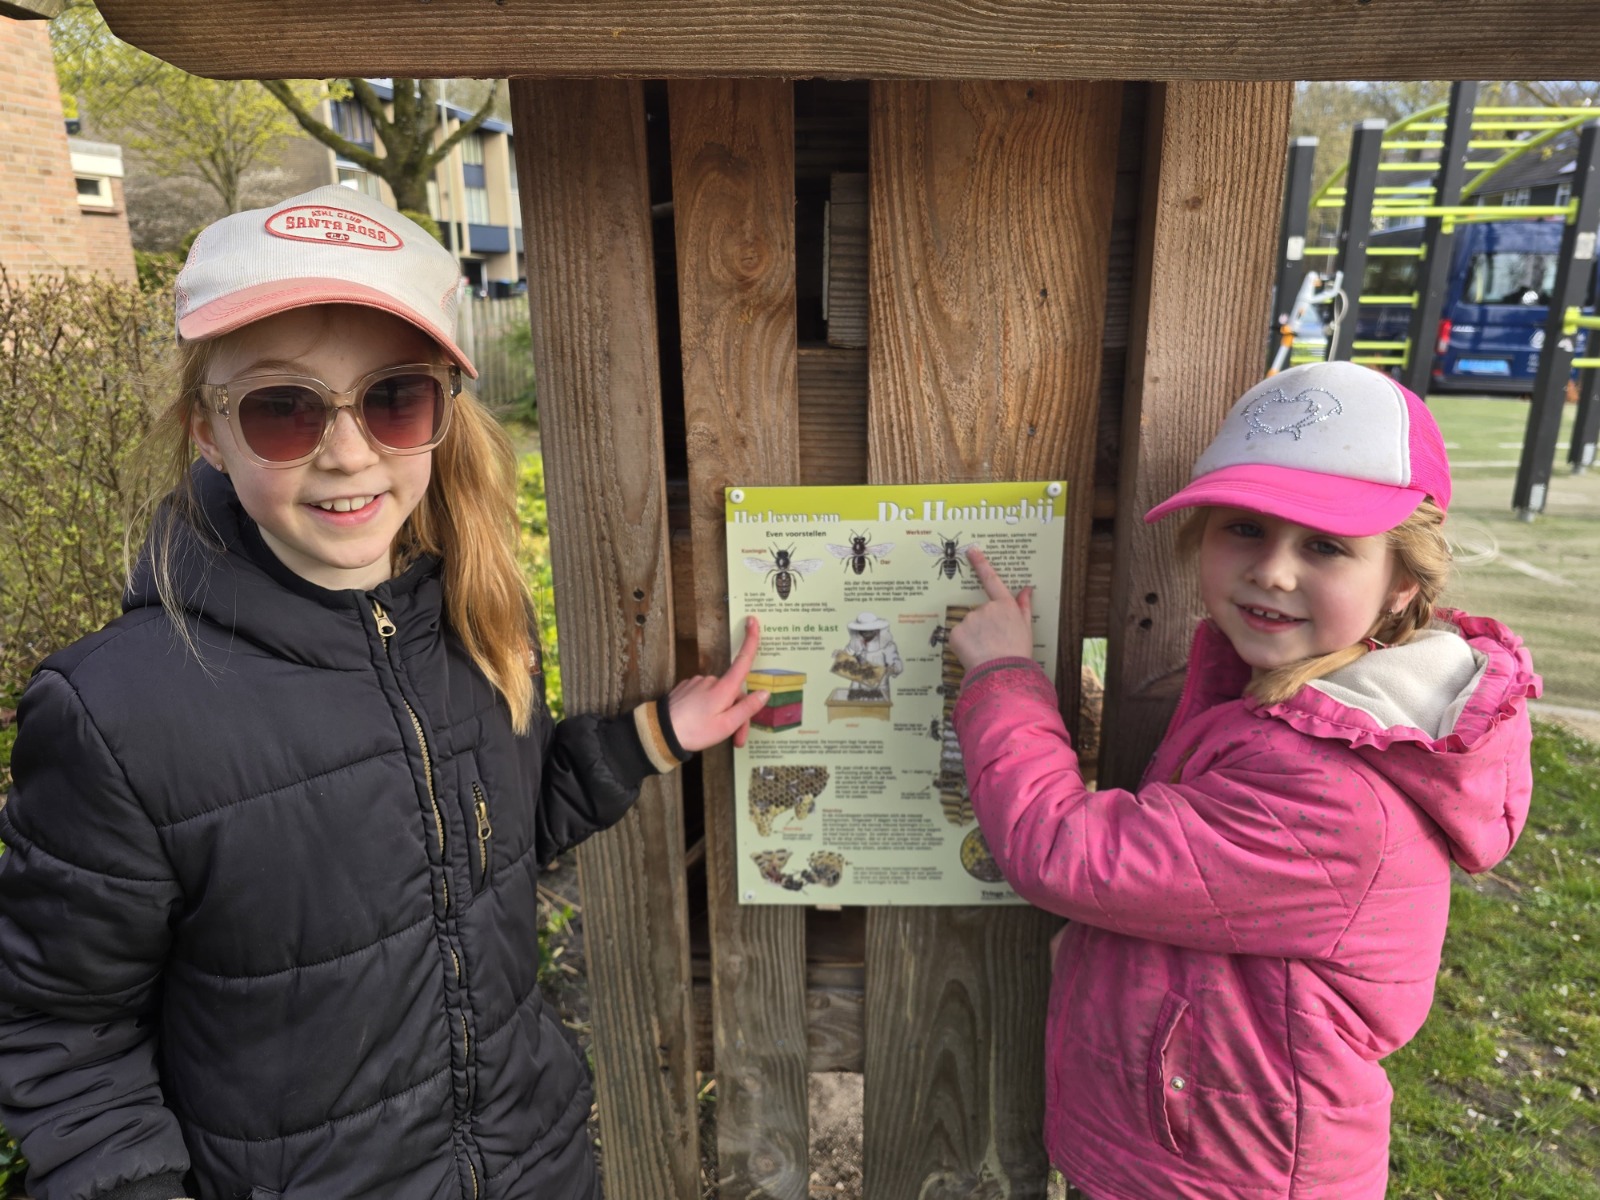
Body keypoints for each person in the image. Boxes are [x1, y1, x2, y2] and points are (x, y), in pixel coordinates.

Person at [0, 185, 769, 1200]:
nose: (349, 449)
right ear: (206, 432)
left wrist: (651, 737)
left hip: (532, 1166)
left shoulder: (475, 620)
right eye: (284, 408)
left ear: (442, 410)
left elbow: (479, 839)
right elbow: (57, 1027)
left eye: (392, 397)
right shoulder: (120, 716)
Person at [948, 360, 1539, 1200]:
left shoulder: (1336, 795)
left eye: (1326, 546)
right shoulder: (1302, 705)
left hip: (1228, 1175)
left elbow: (1067, 852)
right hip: (1191, 1147)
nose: (1274, 570)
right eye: (1245, 529)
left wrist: (1004, 677)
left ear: (1402, 582)